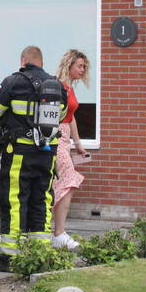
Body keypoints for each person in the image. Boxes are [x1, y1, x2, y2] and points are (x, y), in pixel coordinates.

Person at [0, 46, 66, 273]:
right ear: (41, 61)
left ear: (23, 60)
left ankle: (10, 257)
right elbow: (63, 113)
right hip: (46, 154)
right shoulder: (57, 86)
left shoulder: (12, 82)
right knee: (40, 199)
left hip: (19, 152)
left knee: (14, 200)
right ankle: (39, 254)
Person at [51, 50, 92, 250]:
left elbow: (72, 116)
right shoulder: (58, 87)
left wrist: (78, 144)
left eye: (84, 66)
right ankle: (58, 233)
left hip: (65, 137)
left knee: (64, 183)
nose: (83, 70)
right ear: (69, 65)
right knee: (67, 181)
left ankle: (58, 232)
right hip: (57, 136)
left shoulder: (69, 88)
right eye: (80, 66)